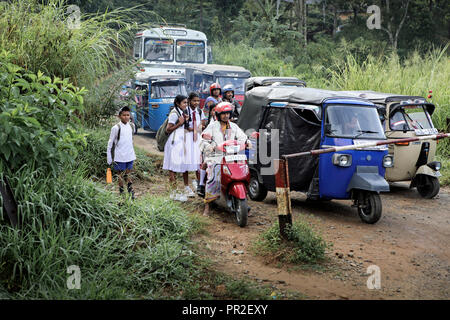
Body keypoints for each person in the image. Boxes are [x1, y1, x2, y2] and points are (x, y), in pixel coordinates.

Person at [199, 102, 248, 216]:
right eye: (223, 114)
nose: (226, 116)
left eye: (227, 113)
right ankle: (207, 205)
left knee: (243, 172)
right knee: (213, 177)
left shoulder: (234, 127)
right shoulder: (212, 126)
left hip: (232, 156)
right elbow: (203, 140)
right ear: (218, 114)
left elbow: (243, 137)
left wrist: (247, 142)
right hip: (216, 156)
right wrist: (210, 146)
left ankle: (244, 200)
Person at [162, 95, 196, 201]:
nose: (186, 105)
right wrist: (179, 123)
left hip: (181, 141)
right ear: (178, 103)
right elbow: (168, 129)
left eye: (186, 102)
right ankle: (173, 191)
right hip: (174, 142)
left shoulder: (181, 112)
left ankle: (181, 188)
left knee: (181, 164)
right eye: (184, 103)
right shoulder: (174, 114)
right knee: (172, 166)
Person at [107, 106, 137, 199]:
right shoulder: (116, 128)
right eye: (124, 115)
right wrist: (109, 157)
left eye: (128, 115)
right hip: (119, 156)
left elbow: (130, 140)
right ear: (119, 116)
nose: (126, 117)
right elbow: (110, 143)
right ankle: (121, 192)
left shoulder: (132, 126)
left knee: (128, 173)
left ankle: (130, 191)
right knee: (120, 174)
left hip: (129, 155)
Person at [185, 92, 206, 189]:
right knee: (187, 161)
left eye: (198, 101)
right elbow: (184, 127)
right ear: (189, 101)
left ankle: (199, 183)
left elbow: (202, 124)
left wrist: (198, 128)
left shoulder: (199, 111)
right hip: (187, 139)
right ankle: (186, 185)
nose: (196, 103)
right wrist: (194, 129)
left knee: (198, 161)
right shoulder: (185, 111)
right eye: (194, 100)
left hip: (197, 139)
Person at [197, 103, 217, 197]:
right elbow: (203, 137)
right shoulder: (211, 125)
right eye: (214, 110)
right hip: (212, 150)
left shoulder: (231, 125)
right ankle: (201, 184)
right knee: (206, 163)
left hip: (225, 151)